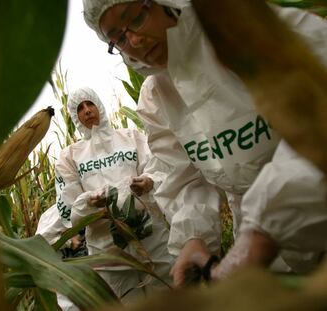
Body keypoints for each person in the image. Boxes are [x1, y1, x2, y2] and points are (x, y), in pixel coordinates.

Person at [82, 0, 327, 284]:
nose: (134, 40)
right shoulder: (157, 98)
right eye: (119, 38)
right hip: (271, 257)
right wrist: (193, 237)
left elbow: (317, 129)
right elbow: (183, 177)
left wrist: (261, 233)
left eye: (136, 19)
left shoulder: (250, 34)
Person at [54, 87, 174, 303]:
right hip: (107, 248)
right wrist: (89, 203)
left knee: (168, 295)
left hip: (149, 234)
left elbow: (158, 169)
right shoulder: (70, 157)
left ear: (99, 105)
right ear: (75, 116)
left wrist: (147, 181)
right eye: (80, 108)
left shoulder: (131, 137)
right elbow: (69, 209)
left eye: (90, 104)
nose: (87, 110)